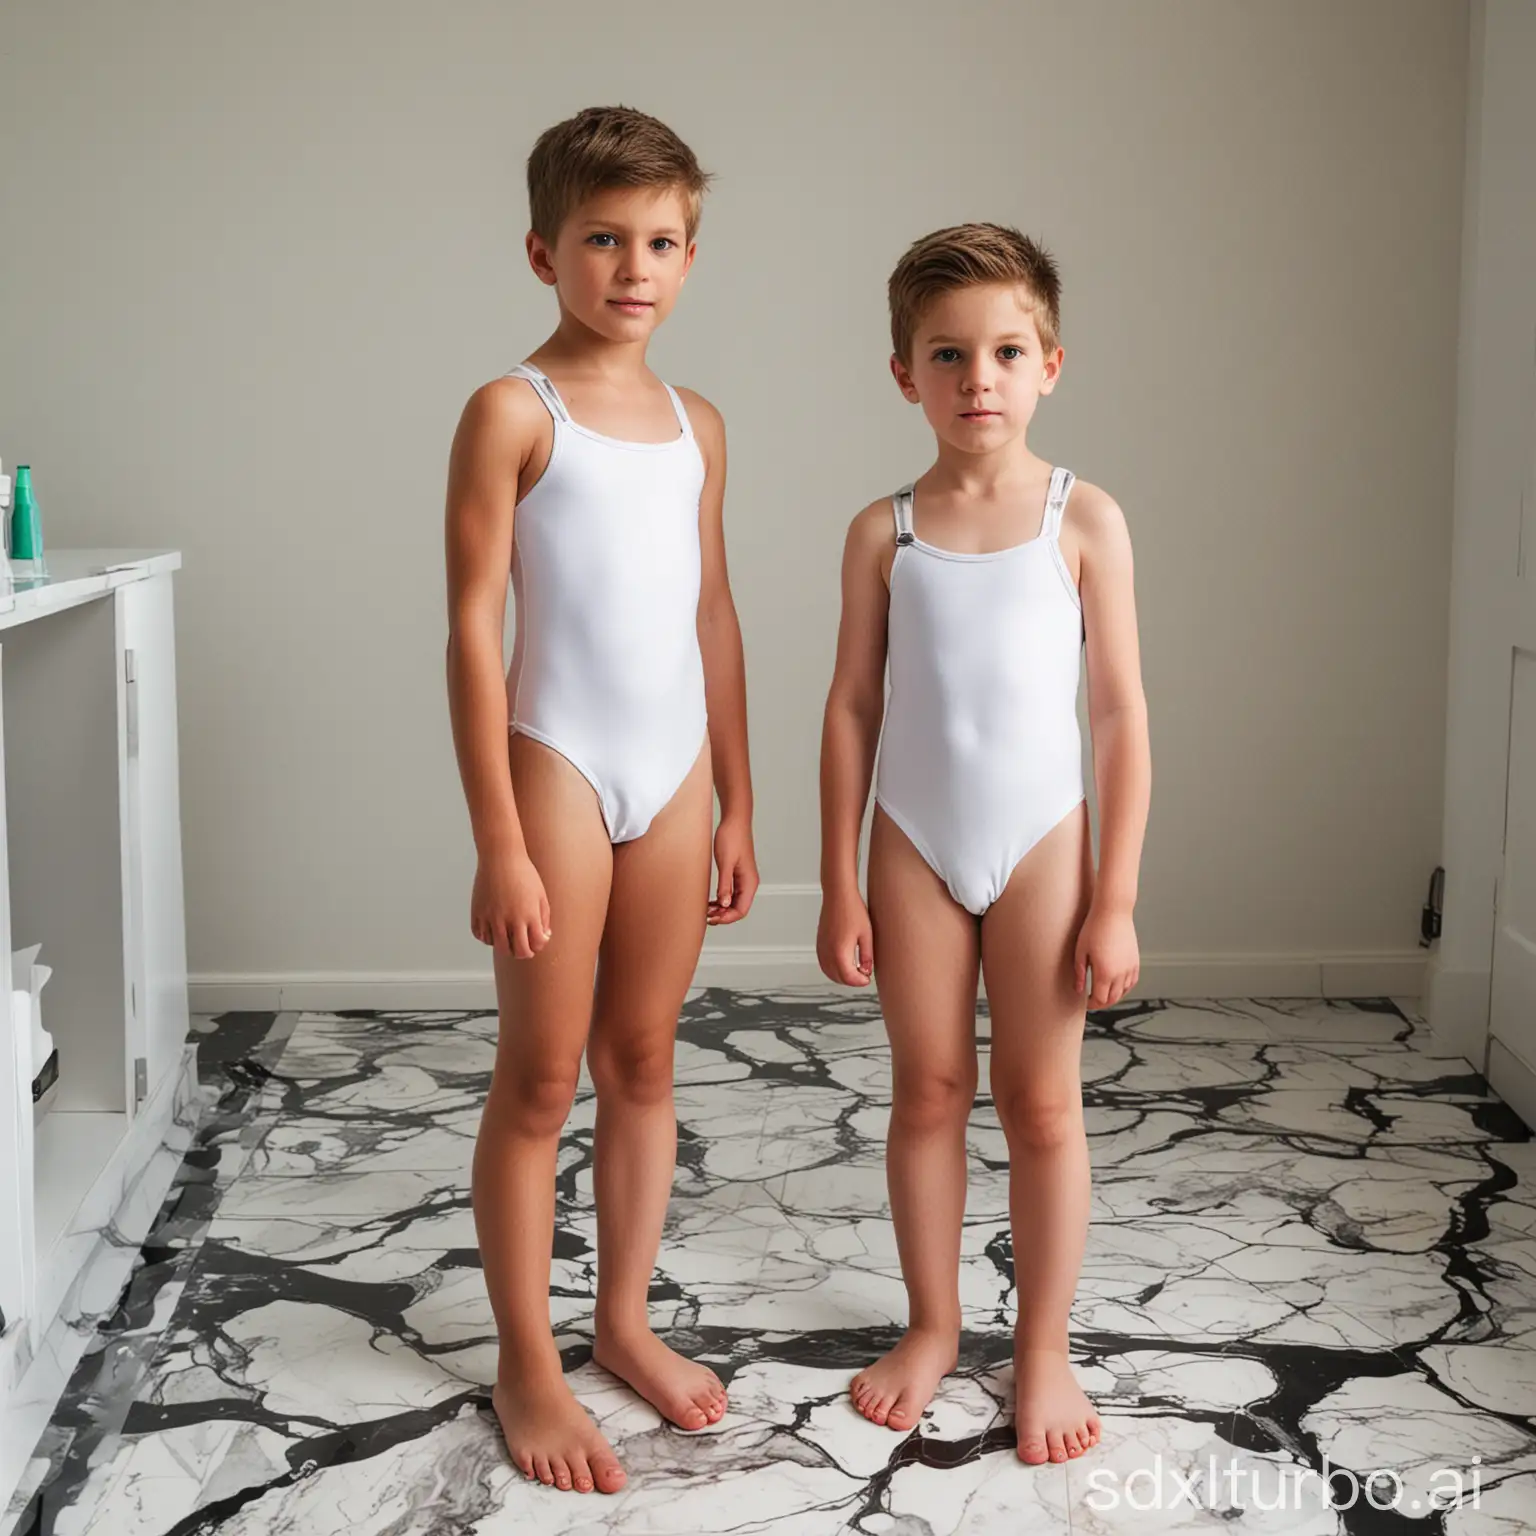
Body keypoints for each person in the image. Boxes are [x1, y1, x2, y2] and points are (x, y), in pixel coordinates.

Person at [444, 105, 758, 1497]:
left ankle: (621, 1320)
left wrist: (739, 803)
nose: (635, 267)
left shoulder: (700, 424)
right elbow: (471, 630)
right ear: (543, 251)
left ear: (691, 254)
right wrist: (498, 840)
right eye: (604, 240)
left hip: (676, 767)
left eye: (663, 242)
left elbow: (713, 613)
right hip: (558, 763)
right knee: (539, 1079)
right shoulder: (516, 410)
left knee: (645, 1065)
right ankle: (529, 1359)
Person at [816, 222, 1151, 1465]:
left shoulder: (1085, 519)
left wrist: (1113, 897)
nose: (979, 380)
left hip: (1043, 847)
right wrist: (841, 880)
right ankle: (935, 1325)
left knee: (1042, 1104)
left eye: (1006, 352)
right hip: (912, 843)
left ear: (1050, 363)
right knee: (928, 1094)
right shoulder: (883, 532)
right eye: (948, 355)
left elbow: (1117, 715)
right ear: (905, 372)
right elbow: (853, 709)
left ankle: (1045, 1347)